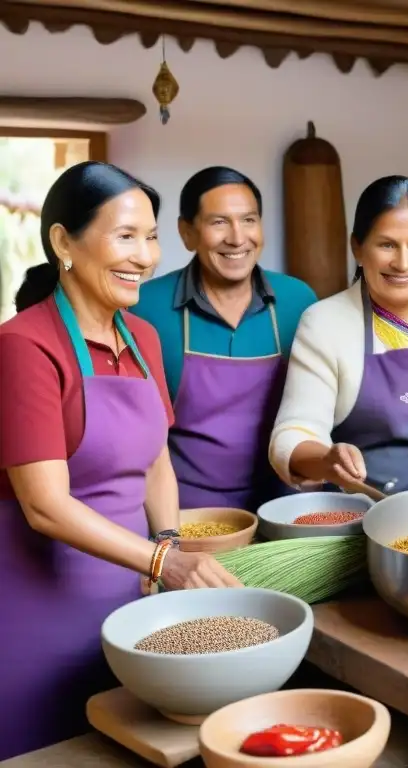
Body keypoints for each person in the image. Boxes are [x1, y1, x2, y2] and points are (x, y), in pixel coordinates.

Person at [0, 162, 240, 761]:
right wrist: (165, 559)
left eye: (151, 236)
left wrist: (166, 546)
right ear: (63, 242)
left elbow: (156, 456)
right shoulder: (23, 346)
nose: (145, 255)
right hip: (38, 606)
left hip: (134, 596)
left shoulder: (143, 339)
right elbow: (45, 506)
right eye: (125, 236)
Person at [269, 176, 408, 494]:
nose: (403, 263)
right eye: (387, 244)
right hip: (352, 519)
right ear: (358, 248)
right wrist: (327, 459)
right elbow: (293, 434)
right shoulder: (324, 322)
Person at [130, 167, 317, 511]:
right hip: (186, 516)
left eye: (249, 220)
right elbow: (133, 436)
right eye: (219, 222)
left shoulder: (299, 302)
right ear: (187, 233)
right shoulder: (146, 308)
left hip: (285, 508)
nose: (237, 237)